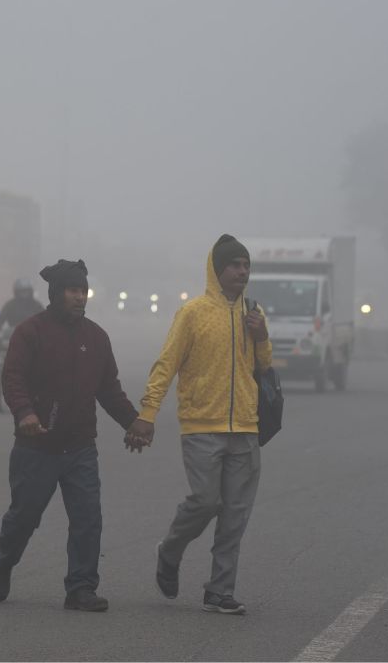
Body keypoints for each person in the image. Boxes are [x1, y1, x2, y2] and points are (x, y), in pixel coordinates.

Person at [0, 259, 143, 612]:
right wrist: (25, 413)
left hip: (80, 447)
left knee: (88, 518)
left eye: (83, 291)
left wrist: (134, 421)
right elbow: (13, 380)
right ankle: (3, 562)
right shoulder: (30, 332)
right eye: (73, 290)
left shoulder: (96, 337)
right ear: (56, 294)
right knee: (24, 518)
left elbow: (109, 390)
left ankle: (81, 588)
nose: (79, 297)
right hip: (36, 446)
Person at [126, 234, 271, 615]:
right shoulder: (192, 314)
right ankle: (170, 551)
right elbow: (166, 363)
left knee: (235, 513)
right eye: (235, 265)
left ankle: (219, 590)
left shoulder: (254, 312)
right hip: (201, 426)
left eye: (246, 265)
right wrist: (148, 413)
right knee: (206, 502)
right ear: (216, 270)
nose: (242, 271)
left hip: (245, 426)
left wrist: (262, 336)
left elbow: (263, 368)